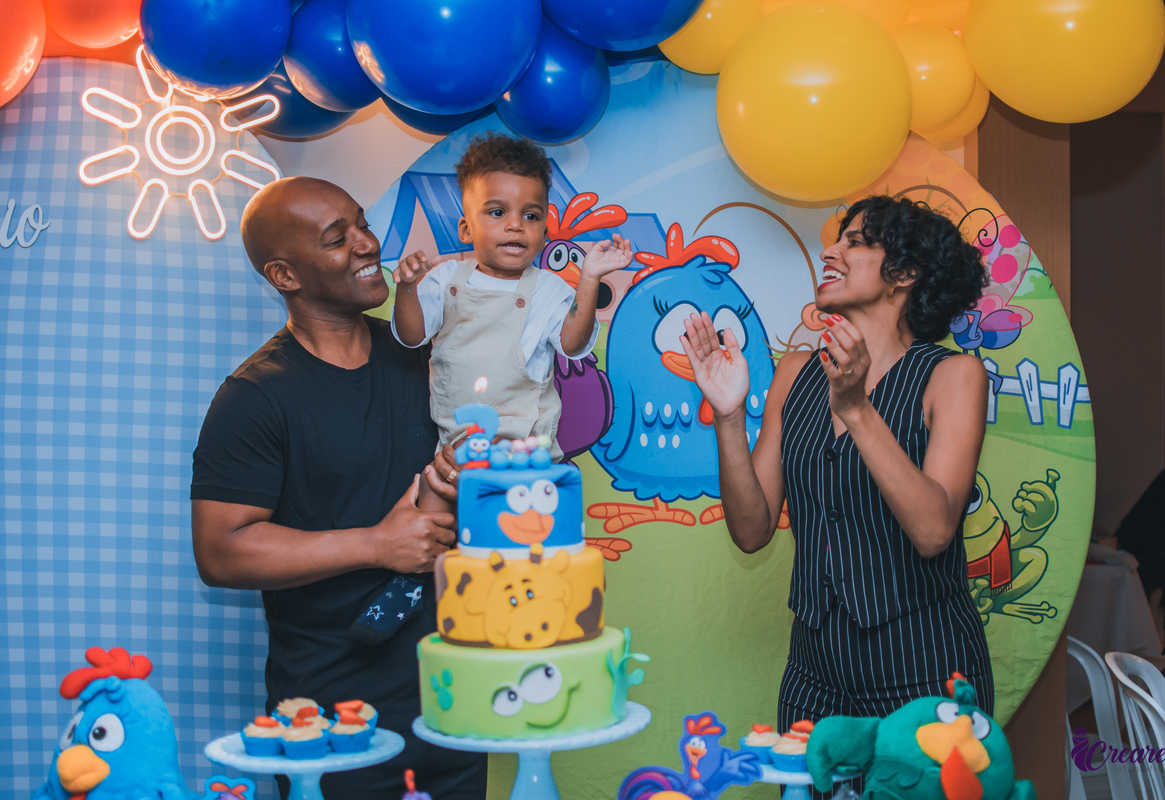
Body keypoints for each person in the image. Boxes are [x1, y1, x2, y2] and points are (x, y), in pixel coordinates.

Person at [190, 177, 486, 800]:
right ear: (284, 274)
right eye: (336, 238)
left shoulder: (423, 357)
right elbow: (221, 551)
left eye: (360, 223)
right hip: (334, 719)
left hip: (455, 696)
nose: (365, 244)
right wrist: (377, 544)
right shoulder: (256, 397)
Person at [680, 196, 995, 768]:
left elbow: (933, 531)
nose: (831, 250)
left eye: (855, 241)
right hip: (814, 675)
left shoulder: (953, 376)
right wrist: (727, 417)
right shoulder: (796, 371)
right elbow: (752, 531)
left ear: (902, 273)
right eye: (837, 238)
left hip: (924, 671)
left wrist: (855, 409)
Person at [352, 133, 632, 643]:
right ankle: (411, 585)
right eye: (497, 212)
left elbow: (571, 344)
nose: (514, 226)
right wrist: (408, 288)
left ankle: (550, 605)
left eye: (530, 215)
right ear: (466, 225)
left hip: (528, 450)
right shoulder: (446, 281)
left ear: (545, 226)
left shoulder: (548, 289)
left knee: (529, 535)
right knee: (430, 511)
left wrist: (588, 279)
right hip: (458, 447)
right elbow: (411, 334)